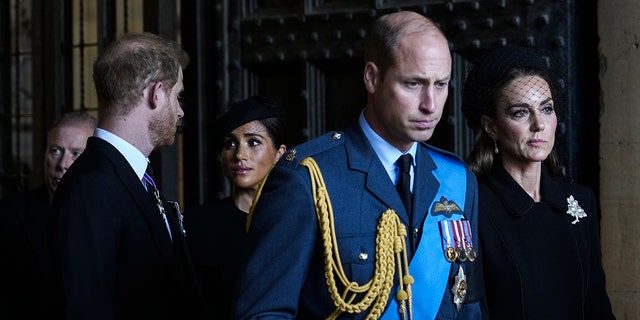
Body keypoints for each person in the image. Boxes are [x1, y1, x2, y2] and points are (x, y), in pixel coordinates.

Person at [233, 11, 484, 320]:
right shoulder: (307, 179)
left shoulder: (456, 180)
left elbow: (467, 304)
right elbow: (263, 313)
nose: (430, 104)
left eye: (441, 84)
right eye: (413, 83)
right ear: (372, 78)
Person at [49, 32, 207, 319]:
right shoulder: (91, 186)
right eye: (178, 96)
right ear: (156, 94)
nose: (181, 111)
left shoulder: (134, 174)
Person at [460, 45, 615, 319]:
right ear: (491, 126)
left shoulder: (580, 200)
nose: (539, 124)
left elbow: (596, 306)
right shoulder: (472, 206)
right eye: (521, 112)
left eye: (546, 109)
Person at [184, 95, 287, 319]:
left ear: (279, 154)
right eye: (230, 143)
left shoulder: (293, 223)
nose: (240, 155)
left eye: (254, 142)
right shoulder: (196, 224)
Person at [0, 111, 95, 319]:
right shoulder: (9, 216)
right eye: (56, 151)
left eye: (76, 154)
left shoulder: (108, 216)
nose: (62, 164)